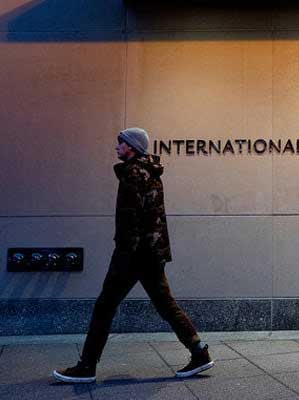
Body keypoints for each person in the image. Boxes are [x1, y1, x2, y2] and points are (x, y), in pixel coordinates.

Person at [53, 127, 214, 383]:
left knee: (104, 307)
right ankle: (199, 352)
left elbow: (131, 219)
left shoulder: (133, 173)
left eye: (120, 143)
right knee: (166, 306)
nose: (116, 147)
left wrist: (123, 255)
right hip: (151, 253)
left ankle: (86, 367)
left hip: (133, 256)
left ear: (131, 147)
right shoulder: (150, 171)